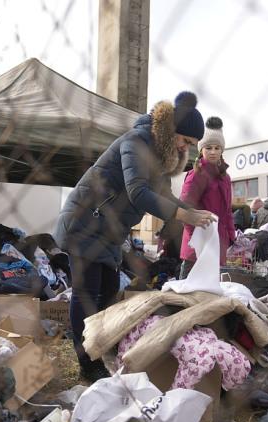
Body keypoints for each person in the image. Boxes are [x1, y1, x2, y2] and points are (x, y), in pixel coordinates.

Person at [53, 91, 216, 382]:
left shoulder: (160, 160)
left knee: (110, 288)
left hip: (107, 232)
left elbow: (165, 196)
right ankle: (86, 362)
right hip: (84, 224)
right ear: (170, 131)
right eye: (185, 141)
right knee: (88, 292)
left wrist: (195, 213)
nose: (185, 150)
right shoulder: (134, 143)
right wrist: (183, 216)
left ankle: (96, 348)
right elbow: (138, 193)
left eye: (191, 146)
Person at [178, 117, 235, 279]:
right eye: (208, 147)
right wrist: (194, 240)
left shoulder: (225, 177)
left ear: (222, 150)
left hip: (217, 243)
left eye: (217, 148)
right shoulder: (196, 174)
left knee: (210, 293)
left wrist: (231, 237)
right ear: (201, 149)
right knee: (187, 293)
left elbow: (227, 211)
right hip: (197, 243)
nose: (213, 152)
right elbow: (184, 208)